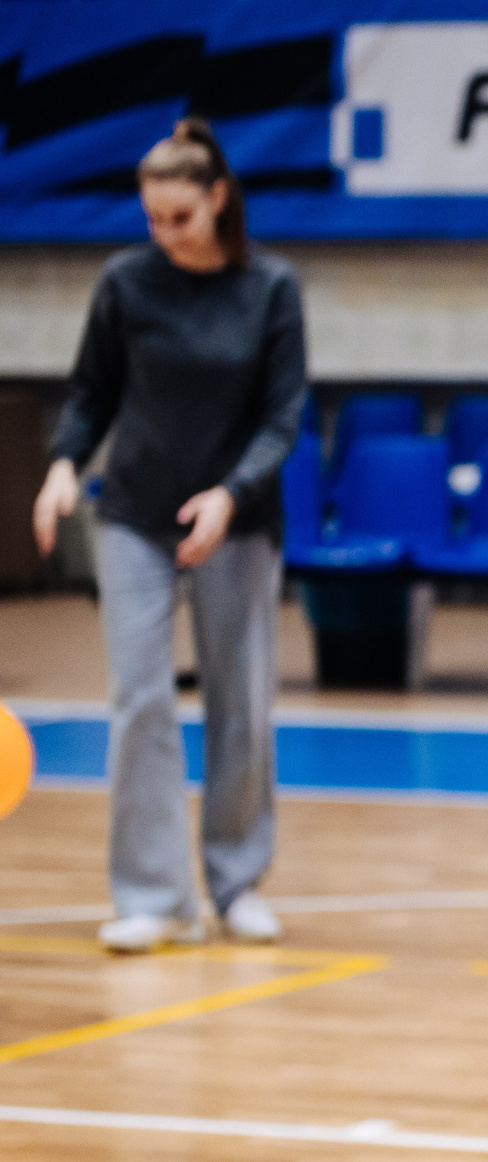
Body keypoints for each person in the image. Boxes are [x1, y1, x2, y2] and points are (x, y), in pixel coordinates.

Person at [31, 117, 307, 954]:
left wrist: (228, 496)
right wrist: (62, 465)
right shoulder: (125, 283)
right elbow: (91, 392)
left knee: (241, 707)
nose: (165, 235)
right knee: (139, 700)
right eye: (152, 220)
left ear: (218, 199)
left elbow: (282, 417)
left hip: (237, 521)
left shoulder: (270, 289)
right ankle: (154, 895)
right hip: (136, 515)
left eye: (180, 218)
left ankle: (236, 880)